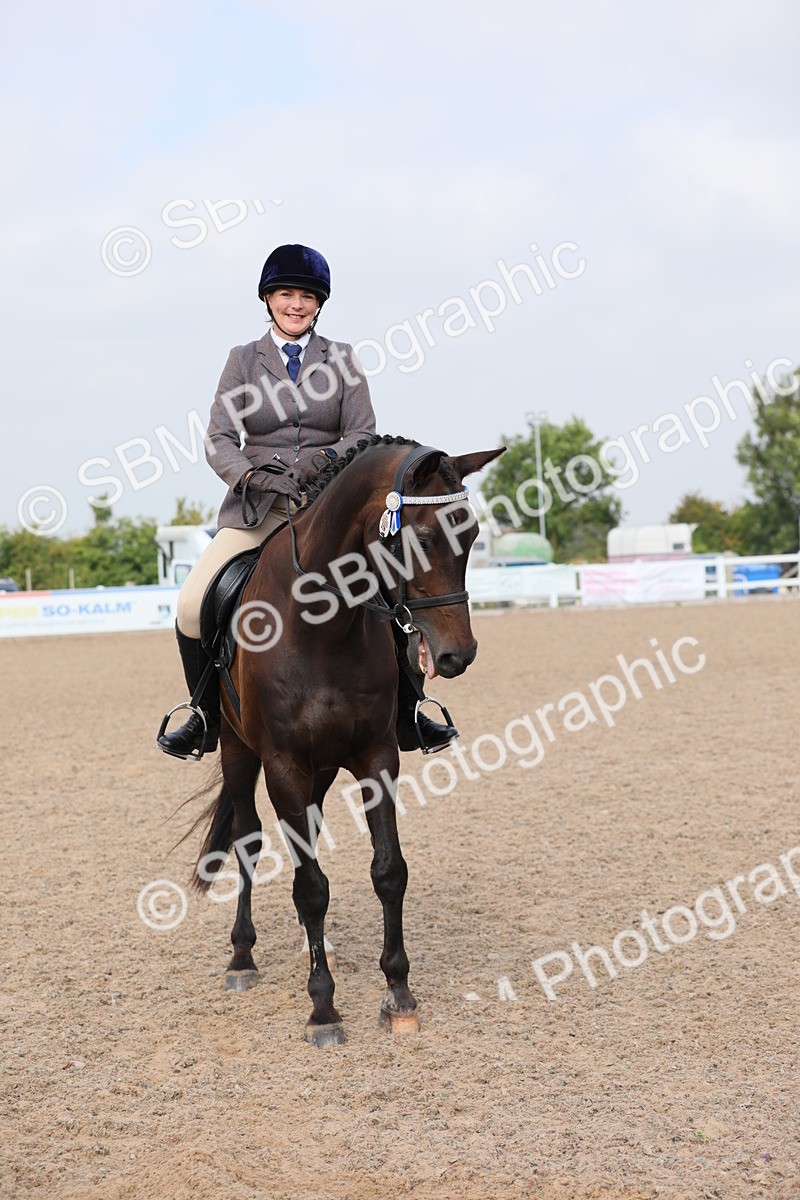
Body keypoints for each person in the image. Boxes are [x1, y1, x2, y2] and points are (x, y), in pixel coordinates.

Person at [157, 243, 458, 760]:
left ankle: (411, 707)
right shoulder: (242, 361)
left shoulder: (341, 359)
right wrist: (253, 475)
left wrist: (313, 472)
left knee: (390, 594)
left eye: (306, 296)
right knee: (190, 606)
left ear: (319, 304)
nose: (296, 304)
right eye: (286, 294)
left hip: (329, 511)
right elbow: (219, 438)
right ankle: (203, 714)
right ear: (269, 299)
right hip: (257, 510)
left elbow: (362, 435)